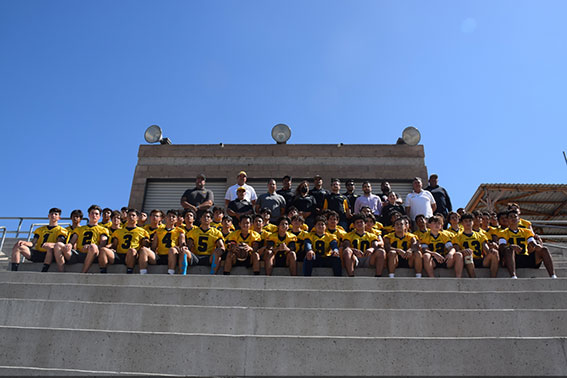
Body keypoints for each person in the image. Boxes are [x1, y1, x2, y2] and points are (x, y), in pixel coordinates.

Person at [499, 210, 557, 279]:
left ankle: (553, 275)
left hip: (526, 257)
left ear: (519, 219)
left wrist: (536, 246)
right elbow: (502, 246)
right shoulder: (503, 232)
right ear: (508, 220)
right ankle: (513, 275)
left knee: (544, 249)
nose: (513, 219)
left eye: (515, 217)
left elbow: (531, 242)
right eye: (511, 217)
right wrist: (511, 247)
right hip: (514, 259)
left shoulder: (526, 231)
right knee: (508, 250)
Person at [11, 208, 68, 272]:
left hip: (51, 254)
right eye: (51, 214)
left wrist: (50, 244)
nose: (53, 215)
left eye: (56, 214)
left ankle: (44, 270)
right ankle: (14, 269)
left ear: (59, 218)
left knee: (50, 248)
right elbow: (33, 243)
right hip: (38, 253)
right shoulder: (40, 229)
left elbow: (59, 244)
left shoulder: (61, 230)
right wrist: (24, 243)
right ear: (48, 216)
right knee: (18, 246)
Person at [58, 205, 110, 273]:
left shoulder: (103, 229)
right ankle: (61, 272)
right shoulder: (79, 229)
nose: (94, 215)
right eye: (92, 213)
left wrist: (89, 247)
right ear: (88, 215)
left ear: (99, 217)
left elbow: (102, 244)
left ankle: (83, 272)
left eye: (96, 214)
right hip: (79, 253)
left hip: (93, 254)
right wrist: (70, 245)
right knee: (59, 245)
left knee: (93, 247)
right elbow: (72, 241)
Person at [99, 208, 151, 274]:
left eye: (133, 215)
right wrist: (109, 248)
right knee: (103, 250)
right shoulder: (118, 231)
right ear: (126, 217)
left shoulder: (142, 231)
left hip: (133, 256)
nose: (131, 217)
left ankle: (129, 271)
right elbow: (114, 245)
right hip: (119, 255)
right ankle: (102, 272)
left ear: (137, 218)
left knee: (131, 251)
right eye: (129, 215)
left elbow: (144, 246)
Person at [452, 212, 499, 278]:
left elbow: (485, 248)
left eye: (470, 221)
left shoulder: (480, 235)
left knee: (495, 253)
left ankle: (493, 278)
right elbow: (457, 250)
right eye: (466, 221)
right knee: (468, 255)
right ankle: (473, 279)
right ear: (462, 223)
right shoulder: (457, 237)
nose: (468, 223)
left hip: (480, 259)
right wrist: (463, 251)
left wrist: (491, 251)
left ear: (473, 222)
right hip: (467, 260)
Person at [138, 209, 184, 275]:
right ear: (165, 218)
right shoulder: (158, 231)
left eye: (173, 216)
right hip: (160, 256)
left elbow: (182, 244)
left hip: (172, 256)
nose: (171, 218)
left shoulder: (180, 231)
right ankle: (143, 273)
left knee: (172, 250)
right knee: (143, 250)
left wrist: (177, 248)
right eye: (169, 216)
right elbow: (154, 246)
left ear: (176, 219)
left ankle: (171, 273)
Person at [184, 210, 225, 274]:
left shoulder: (216, 232)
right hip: (196, 256)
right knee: (185, 251)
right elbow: (189, 245)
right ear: (200, 219)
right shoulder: (193, 231)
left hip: (209, 257)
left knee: (218, 255)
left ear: (211, 220)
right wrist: (186, 248)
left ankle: (212, 275)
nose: (206, 218)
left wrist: (219, 250)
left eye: (208, 217)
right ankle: (182, 274)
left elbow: (222, 247)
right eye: (204, 216)